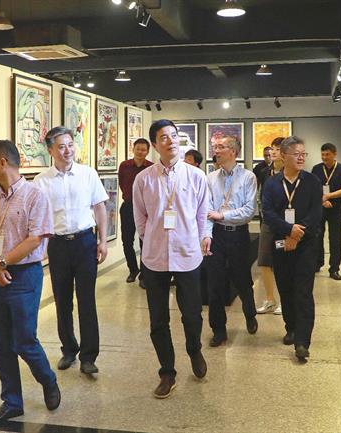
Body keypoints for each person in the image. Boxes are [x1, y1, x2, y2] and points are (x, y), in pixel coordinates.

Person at [0, 140, 60, 426]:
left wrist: (1, 263)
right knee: (0, 343)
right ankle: (12, 402)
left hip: (23, 276)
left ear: (2, 163)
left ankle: (48, 379)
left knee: (24, 340)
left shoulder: (35, 196)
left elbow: (35, 238)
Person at [133, 119, 209, 399]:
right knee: (158, 320)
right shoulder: (144, 179)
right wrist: (152, 238)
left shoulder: (196, 176)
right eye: (164, 137)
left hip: (188, 254)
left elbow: (203, 214)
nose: (171, 141)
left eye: (174, 135)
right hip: (155, 257)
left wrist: (202, 237)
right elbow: (140, 217)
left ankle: (194, 349)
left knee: (192, 314)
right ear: (155, 144)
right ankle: (167, 371)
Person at [34, 126, 109, 376]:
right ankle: (68, 349)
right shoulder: (41, 181)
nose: (67, 151)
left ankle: (89, 356)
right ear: (50, 151)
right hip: (58, 245)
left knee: (87, 300)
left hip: (85, 242)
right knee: (62, 300)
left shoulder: (88, 174)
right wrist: (42, 247)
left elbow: (100, 208)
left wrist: (103, 241)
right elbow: (38, 217)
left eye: (70, 145)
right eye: (61, 147)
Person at [262, 136, 322, 362]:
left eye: (303, 154)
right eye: (296, 154)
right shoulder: (272, 183)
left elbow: (316, 213)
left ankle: (303, 342)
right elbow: (268, 213)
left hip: (306, 244)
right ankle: (291, 328)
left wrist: (297, 234)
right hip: (280, 244)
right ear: (283, 155)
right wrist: (288, 230)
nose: (301, 158)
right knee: (285, 289)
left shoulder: (312, 181)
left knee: (303, 292)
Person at [203, 134, 258, 347]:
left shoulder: (248, 177)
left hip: (238, 235)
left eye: (220, 147)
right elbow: (207, 211)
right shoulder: (210, 178)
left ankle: (250, 314)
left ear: (233, 152)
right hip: (217, 235)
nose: (216, 151)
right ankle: (218, 330)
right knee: (214, 284)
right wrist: (207, 235)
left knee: (242, 280)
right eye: (215, 147)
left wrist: (223, 215)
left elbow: (249, 210)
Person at [311, 143, 341, 280]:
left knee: (335, 239)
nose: (324, 157)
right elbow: (313, 188)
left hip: (335, 207)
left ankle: (334, 268)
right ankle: (317, 263)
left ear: (334, 154)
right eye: (322, 154)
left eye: (327, 154)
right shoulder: (316, 169)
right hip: (319, 207)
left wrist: (328, 196)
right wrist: (322, 200)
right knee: (317, 236)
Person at [118, 138, 152, 286]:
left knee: (145, 241)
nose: (140, 152)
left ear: (147, 151)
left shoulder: (151, 167)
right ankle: (133, 269)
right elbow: (122, 184)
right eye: (138, 149)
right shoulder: (124, 166)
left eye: (143, 150)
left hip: (146, 209)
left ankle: (144, 275)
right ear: (133, 149)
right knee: (127, 241)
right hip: (128, 206)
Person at [256, 138, 284, 315]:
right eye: (273, 148)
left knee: (282, 261)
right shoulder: (264, 172)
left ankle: (284, 300)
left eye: (278, 149)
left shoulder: (290, 172)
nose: (273, 152)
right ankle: (269, 299)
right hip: (267, 222)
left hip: (283, 225)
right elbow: (260, 195)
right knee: (264, 261)